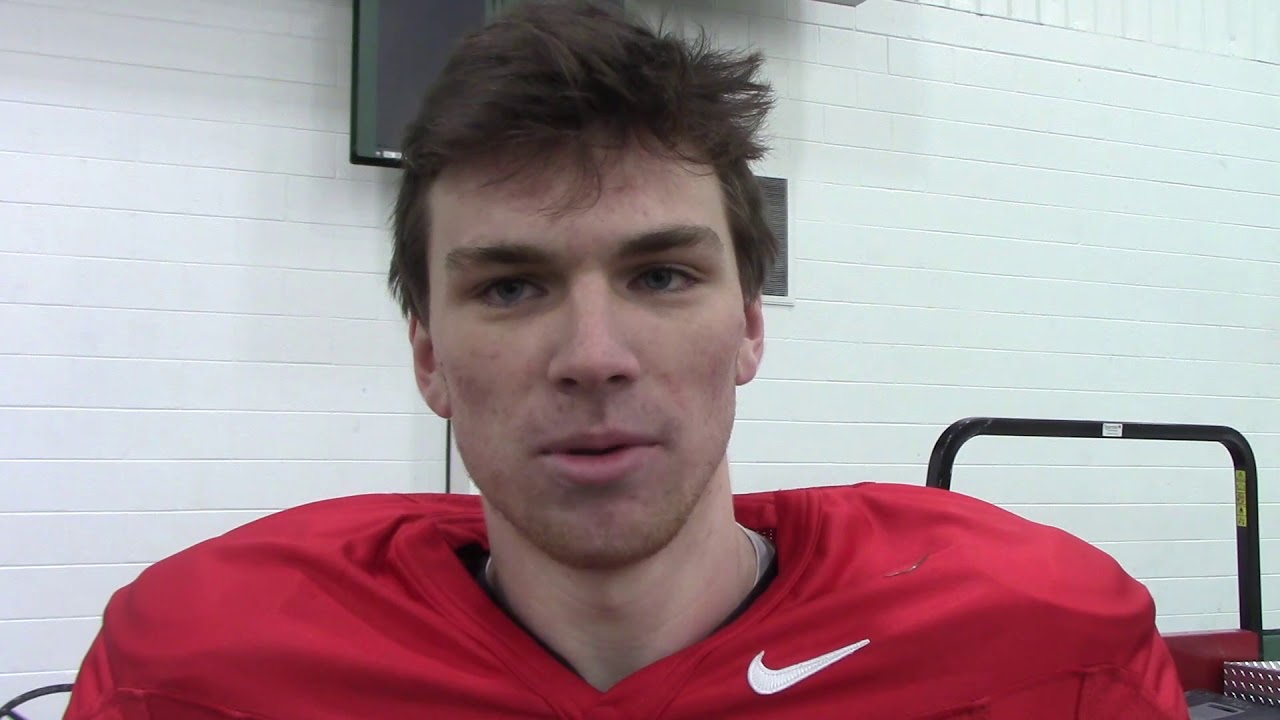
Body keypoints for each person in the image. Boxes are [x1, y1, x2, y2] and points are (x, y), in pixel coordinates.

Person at [63, 1, 1190, 718]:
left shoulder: (1035, 648)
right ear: (429, 358)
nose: (593, 357)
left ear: (749, 327)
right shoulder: (204, 671)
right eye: (512, 287)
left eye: (659, 277)